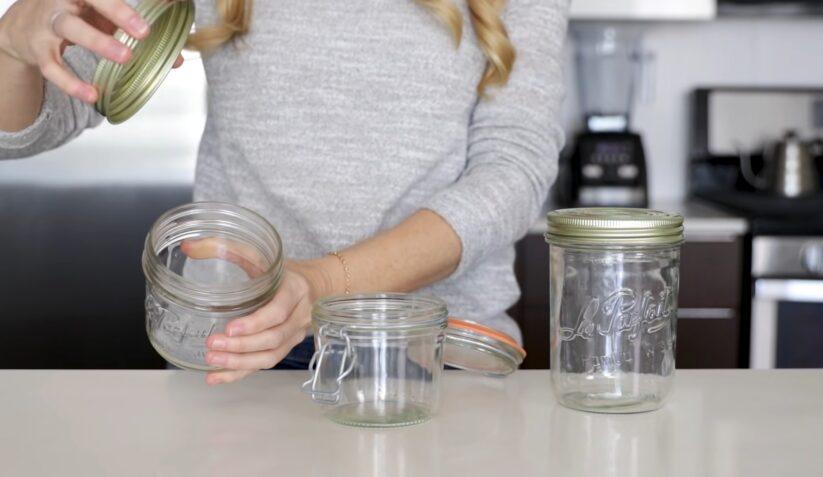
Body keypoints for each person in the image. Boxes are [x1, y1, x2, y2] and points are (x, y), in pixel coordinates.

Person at [0, 0, 568, 384]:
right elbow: (37, 122)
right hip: (242, 348)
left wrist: (320, 284)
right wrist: (12, 46)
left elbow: (514, 171)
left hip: (439, 351)